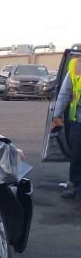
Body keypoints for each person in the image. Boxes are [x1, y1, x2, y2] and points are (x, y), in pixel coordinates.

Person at [52, 56, 81, 198]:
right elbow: (65, 92)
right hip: (78, 120)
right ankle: (74, 184)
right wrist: (57, 115)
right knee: (77, 154)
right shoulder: (76, 65)